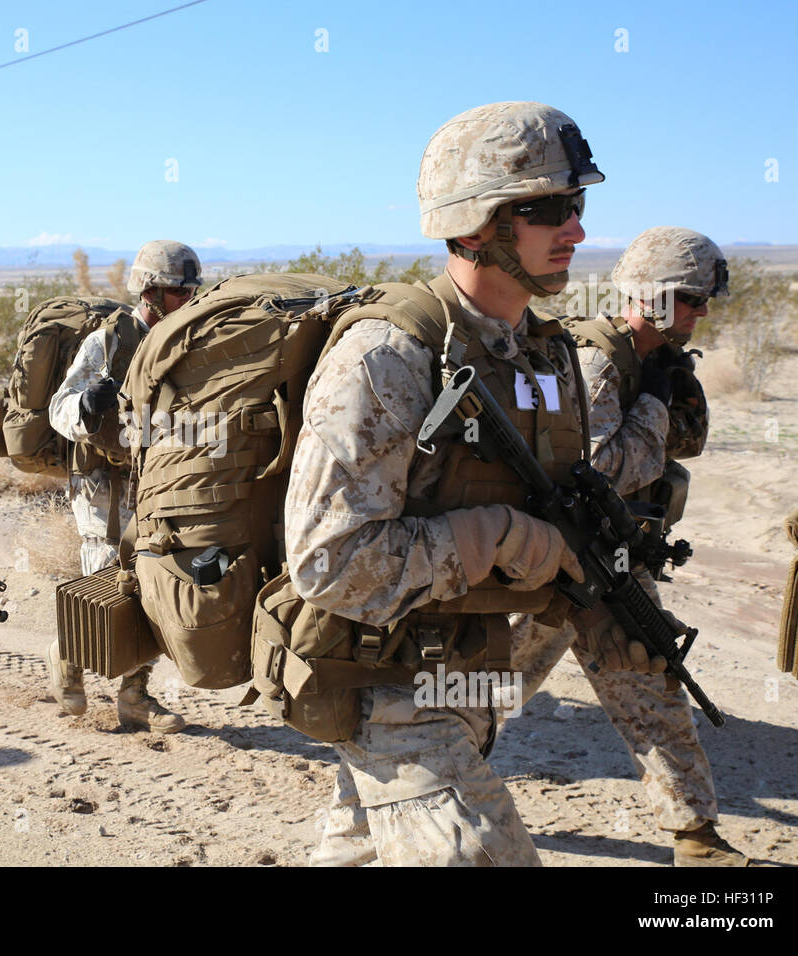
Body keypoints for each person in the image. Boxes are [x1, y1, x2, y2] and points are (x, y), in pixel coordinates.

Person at [286, 101, 656, 865]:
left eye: (577, 205)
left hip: (469, 682)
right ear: (474, 223)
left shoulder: (546, 357)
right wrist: (507, 539)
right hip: (390, 688)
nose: (577, 230)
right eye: (547, 209)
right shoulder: (387, 356)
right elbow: (328, 561)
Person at [508, 227, 747, 866]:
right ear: (657, 297)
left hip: (612, 558)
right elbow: (604, 466)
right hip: (555, 563)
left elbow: (680, 448)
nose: (703, 312)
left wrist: (670, 388)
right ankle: (417, 790)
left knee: (651, 678)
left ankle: (696, 837)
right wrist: (654, 406)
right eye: (694, 298)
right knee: (483, 692)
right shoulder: (597, 360)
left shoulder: (652, 357)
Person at [43, 240, 202, 733]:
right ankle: (67, 652)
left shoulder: (187, 339)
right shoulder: (110, 341)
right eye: (180, 291)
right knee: (110, 581)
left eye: (193, 290)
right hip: (101, 481)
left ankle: (134, 696)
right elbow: (60, 409)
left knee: (150, 583)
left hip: (155, 479)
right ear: (151, 292)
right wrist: (86, 406)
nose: (189, 299)